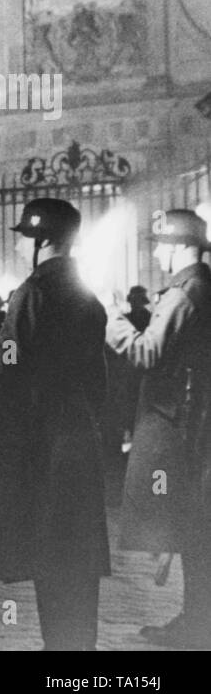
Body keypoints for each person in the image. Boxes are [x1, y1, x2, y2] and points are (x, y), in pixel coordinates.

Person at [0, 199, 110, 650]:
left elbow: (8, 361)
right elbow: (97, 378)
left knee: (49, 555)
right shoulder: (87, 294)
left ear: (39, 240)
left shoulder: (33, 293)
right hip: (78, 430)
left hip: (39, 439)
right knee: (76, 562)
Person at [106, 209, 211, 648]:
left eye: (160, 244)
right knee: (195, 530)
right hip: (195, 423)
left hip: (179, 427)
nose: (156, 253)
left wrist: (112, 315)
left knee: (188, 529)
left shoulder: (185, 294)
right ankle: (195, 618)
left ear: (179, 247)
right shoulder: (200, 288)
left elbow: (147, 353)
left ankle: (196, 622)